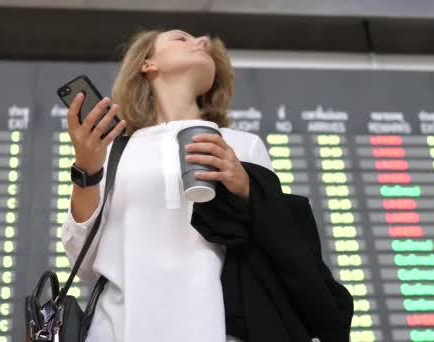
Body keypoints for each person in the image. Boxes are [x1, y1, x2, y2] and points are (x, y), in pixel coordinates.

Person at [61, 29, 274, 342]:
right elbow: (84, 261)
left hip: (218, 329)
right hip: (119, 331)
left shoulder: (243, 147)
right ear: (147, 64)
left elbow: (279, 246)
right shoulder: (111, 151)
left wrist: (247, 189)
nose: (202, 41)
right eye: (181, 39)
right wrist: (87, 170)